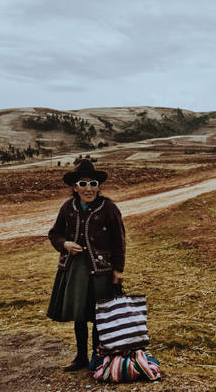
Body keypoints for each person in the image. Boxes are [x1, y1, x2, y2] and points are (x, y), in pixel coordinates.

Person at [46, 159, 126, 371]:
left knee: (99, 315)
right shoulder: (68, 207)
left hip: (102, 270)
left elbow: (119, 240)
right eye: (83, 184)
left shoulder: (108, 208)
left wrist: (118, 270)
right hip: (75, 269)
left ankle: (97, 357)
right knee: (79, 314)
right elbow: (54, 233)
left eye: (93, 183)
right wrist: (65, 244)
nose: (88, 188)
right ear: (75, 188)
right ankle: (80, 357)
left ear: (99, 187)